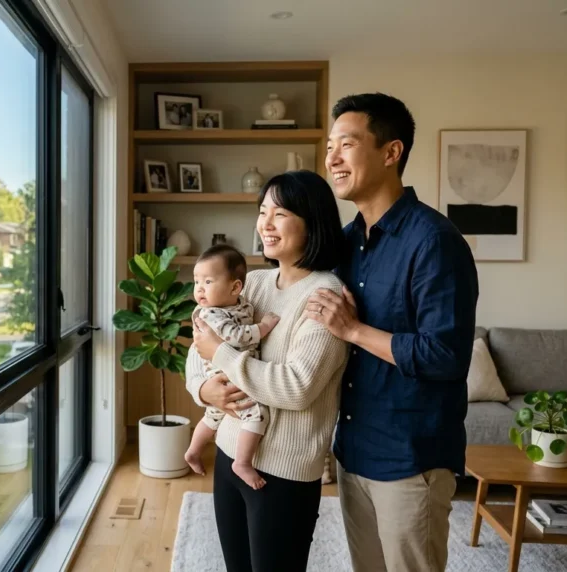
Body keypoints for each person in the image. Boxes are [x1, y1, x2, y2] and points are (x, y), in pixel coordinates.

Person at [306, 92, 479, 572]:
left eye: (346, 144)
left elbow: (446, 355)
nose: (332, 159)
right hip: (353, 449)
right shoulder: (345, 243)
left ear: (391, 152)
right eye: (329, 147)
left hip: (410, 458)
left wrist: (354, 329)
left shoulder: (435, 241)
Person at [187, 170, 349, 571]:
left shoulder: (326, 295)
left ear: (312, 223)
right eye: (263, 212)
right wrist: (204, 391)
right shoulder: (252, 283)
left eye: (280, 214)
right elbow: (198, 348)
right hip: (229, 452)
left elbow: (297, 387)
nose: (266, 224)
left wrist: (223, 356)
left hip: (284, 472)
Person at [183, 244, 281, 490]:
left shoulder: (237, 304)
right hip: (227, 375)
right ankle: (243, 462)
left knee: (213, 415)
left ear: (235, 288)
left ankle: (193, 451)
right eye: (196, 281)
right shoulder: (209, 314)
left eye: (207, 281)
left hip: (229, 371)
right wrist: (263, 327)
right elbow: (235, 337)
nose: (199, 289)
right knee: (257, 413)